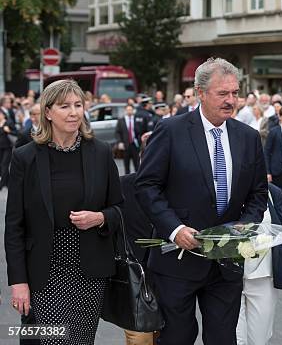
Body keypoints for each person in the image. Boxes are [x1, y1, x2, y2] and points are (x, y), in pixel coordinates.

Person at [135, 58, 268, 345]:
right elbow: (146, 186)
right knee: (176, 338)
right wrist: (174, 229)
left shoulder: (248, 137)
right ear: (200, 92)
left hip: (226, 263)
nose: (231, 100)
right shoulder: (171, 130)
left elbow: (259, 193)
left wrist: (244, 227)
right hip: (177, 262)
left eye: (235, 93)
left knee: (223, 339)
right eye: (223, 93)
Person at [5, 79, 123, 345]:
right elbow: (14, 225)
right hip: (45, 272)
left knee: (80, 341)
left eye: (78, 105)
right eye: (64, 106)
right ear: (48, 112)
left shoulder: (101, 153)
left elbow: (120, 207)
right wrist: (19, 282)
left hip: (89, 271)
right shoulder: (26, 157)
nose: (73, 112)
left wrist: (100, 218)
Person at [236, 183, 282, 345]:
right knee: (236, 339)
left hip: (264, 278)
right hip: (228, 279)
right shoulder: (223, 187)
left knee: (260, 340)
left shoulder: (273, 192)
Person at [119, 132, 157, 345]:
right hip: (134, 277)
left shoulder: (180, 188)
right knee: (140, 338)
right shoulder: (121, 185)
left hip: (170, 276)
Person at [115, 104, 144, 174]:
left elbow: (140, 131)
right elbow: (117, 132)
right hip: (126, 144)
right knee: (126, 165)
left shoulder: (136, 119)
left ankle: (137, 180)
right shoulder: (121, 120)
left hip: (135, 144)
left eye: (130, 110)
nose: (129, 111)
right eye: (128, 110)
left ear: (133, 111)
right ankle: (127, 181)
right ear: (125, 111)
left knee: (137, 164)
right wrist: (120, 142)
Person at [0, 109, 17, 189]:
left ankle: (2, 183)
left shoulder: (8, 122)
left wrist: (9, 131)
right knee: (1, 165)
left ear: (3, 114)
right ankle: (6, 182)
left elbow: (16, 132)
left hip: (7, 147)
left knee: (4, 165)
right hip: (0, 148)